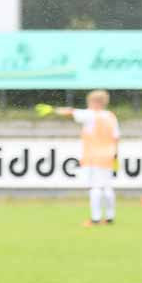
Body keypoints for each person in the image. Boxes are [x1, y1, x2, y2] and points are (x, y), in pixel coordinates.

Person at [55, 90, 119, 226]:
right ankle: (109, 217)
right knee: (107, 186)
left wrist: (52, 110)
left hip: (93, 155)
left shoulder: (91, 115)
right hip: (109, 154)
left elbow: (71, 111)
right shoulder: (111, 116)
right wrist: (115, 154)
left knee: (95, 187)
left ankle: (95, 218)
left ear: (95, 102)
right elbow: (116, 137)